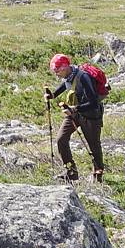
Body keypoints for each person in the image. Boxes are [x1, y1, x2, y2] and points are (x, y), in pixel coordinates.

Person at [45, 53, 104, 184]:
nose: (56, 74)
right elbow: (65, 84)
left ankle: (98, 175)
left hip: (90, 115)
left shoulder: (83, 77)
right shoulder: (69, 75)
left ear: (65, 67)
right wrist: (53, 95)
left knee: (93, 145)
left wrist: (74, 109)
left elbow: (93, 102)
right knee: (61, 139)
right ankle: (71, 172)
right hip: (75, 112)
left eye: (57, 71)